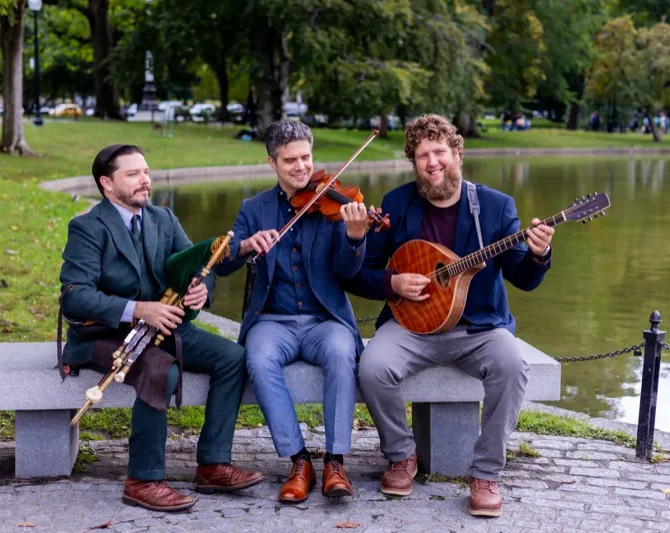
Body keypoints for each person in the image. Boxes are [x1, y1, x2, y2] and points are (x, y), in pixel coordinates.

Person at [345, 114, 554, 517]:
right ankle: (402, 455)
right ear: (414, 162)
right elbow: (359, 272)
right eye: (422, 155)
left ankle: (486, 474)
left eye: (440, 151)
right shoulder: (397, 204)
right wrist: (393, 284)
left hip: (477, 328)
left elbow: (523, 278)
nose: (432, 162)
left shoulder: (494, 207)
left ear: (457, 153)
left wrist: (538, 254)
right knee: (372, 366)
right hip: (410, 326)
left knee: (512, 365)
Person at [59, 144, 264, 512]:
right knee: (159, 370)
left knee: (232, 357)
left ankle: (213, 463)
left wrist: (201, 292)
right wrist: (138, 310)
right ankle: (143, 479)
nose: (145, 180)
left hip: (163, 326)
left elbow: (198, 267)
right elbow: (74, 297)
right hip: (103, 335)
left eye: (147, 172)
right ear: (106, 183)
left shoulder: (164, 219)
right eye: (133, 174)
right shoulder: (87, 227)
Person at [216, 120, 370, 503]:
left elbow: (347, 273)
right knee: (259, 354)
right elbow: (221, 264)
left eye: (306, 157)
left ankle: (335, 461)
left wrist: (355, 238)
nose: (301, 167)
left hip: (324, 319)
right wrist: (247, 245)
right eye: (290, 161)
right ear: (273, 163)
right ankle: (299, 461)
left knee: (340, 351)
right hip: (273, 319)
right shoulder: (254, 209)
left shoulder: (334, 204)